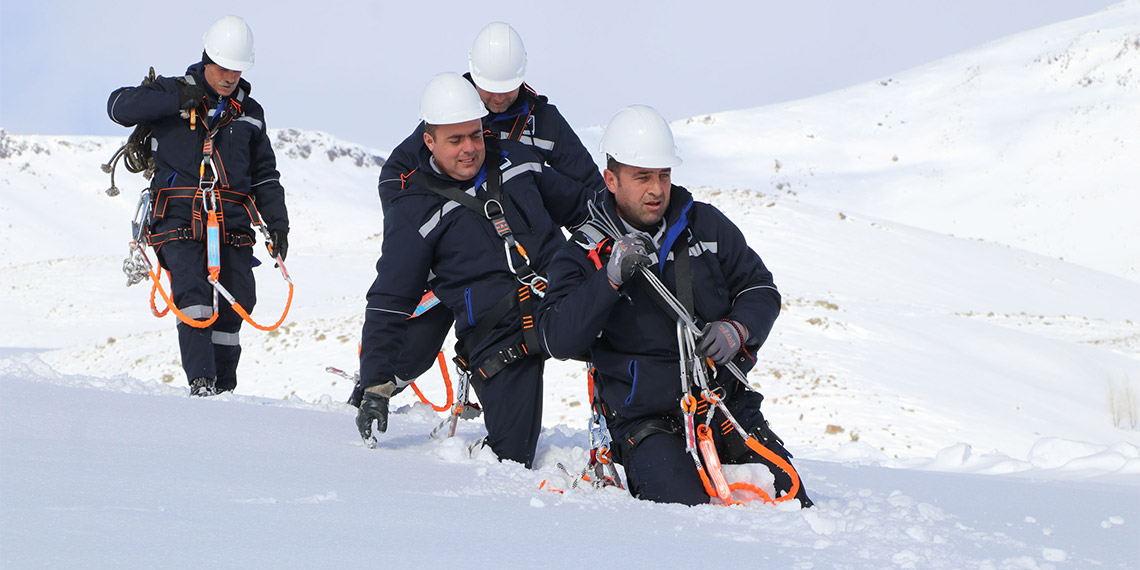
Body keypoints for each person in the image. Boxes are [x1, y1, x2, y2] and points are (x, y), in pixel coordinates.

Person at [537, 105, 812, 507]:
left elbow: (759, 288)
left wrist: (738, 329)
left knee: (790, 504)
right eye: (642, 177)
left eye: (664, 175)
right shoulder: (584, 249)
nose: (656, 189)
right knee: (686, 517)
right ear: (611, 180)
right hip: (645, 421)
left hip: (724, 404)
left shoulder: (706, 226)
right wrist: (608, 280)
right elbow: (555, 337)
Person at [354, 73, 593, 468]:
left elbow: (585, 207)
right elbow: (389, 301)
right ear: (428, 142)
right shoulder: (414, 211)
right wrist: (375, 385)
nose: (470, 149)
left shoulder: (519, 160)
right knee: (514, 455)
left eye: (476, 136)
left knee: (635, 334)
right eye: (455, 140)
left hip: (561, 295)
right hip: (497, 335)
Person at [361, 22, 605, 391]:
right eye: (488, 87)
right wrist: (419, 240)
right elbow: (395, 177)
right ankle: (369, 395)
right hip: (459, 256)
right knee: (416, 345)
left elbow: (589, 190)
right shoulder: (451, 110)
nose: (498, 97)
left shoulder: (545, 121)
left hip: (527, 257)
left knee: (593, 324)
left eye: (507, 87)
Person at [107, 15, 289, 397]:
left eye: (236, 70)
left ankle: (223, 390)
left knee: (238, 299)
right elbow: (118, 106)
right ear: (207, 59)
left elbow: (265, 175)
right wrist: (175, 99)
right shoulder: (172, 93)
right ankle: (201, 384)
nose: (229, 77)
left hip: (233, 223)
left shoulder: (251, 114)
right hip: (177, 216)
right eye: (222, 68)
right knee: (193, 294)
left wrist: (277, 223)